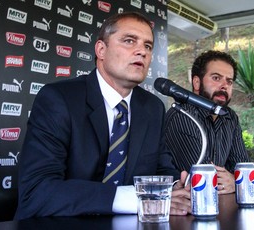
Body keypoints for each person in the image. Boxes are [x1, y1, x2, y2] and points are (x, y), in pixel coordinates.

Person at [15, 12, 191, 220]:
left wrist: (177, 187)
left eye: (148, 46)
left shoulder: (152, 107)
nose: (141, 52)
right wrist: (139, 199)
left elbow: (162, 170)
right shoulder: (59, 99)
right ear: (101, 50)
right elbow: (37, 191)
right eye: (129, 41)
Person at [165, 50, 250, 194]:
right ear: (197, 82)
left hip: (222, 204)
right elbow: (204, 178)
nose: (224, 85)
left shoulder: (230, 117)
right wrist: (237, 182)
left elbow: (242, 168)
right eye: (216, 78)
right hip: (187, 205)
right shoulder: (183, 114)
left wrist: (235, 180)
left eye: (229, 81)